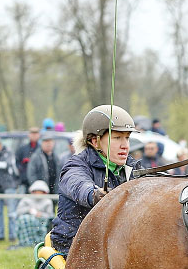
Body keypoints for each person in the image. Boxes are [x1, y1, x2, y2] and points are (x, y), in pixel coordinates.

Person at [50, 105, 141, 255]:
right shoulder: (75, 165)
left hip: (116, 244)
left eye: (127, 138)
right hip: (75, 245)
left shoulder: (133, 168)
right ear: (95, 141)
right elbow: (77, 184)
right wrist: (94, 194)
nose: (125, 145)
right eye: (117, 138)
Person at [0, 135, 19, 241]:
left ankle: (13, 235)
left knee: (11, 212)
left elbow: (6, 165)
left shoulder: (9, 153)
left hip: (8, 186)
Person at [14, 180, 55, 247]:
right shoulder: (26, 200)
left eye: (40, 191)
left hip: (41, 221)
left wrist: (41, 214)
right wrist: (28, 210)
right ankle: (26, 242)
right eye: (36, 191)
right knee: (25, 219)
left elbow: (50, 215)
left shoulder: (47, 201)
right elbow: (18, 211)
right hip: (26, 222)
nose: (38, 193)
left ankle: (38, 241)